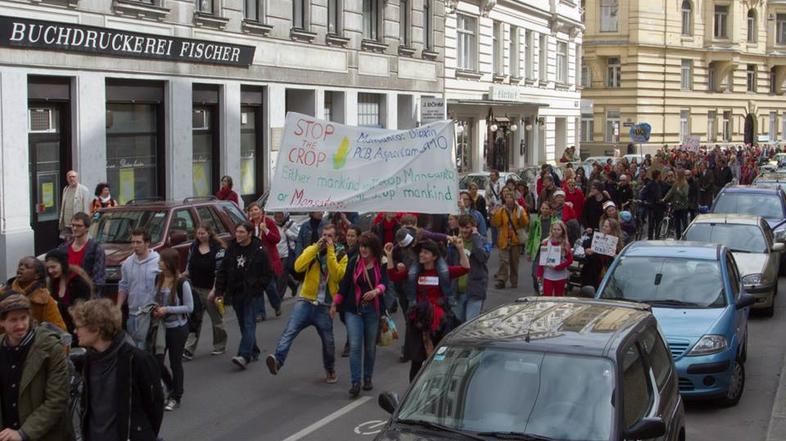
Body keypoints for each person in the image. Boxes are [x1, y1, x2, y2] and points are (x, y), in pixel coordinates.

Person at [71, 299, 164, 441]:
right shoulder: (88, 360)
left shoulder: (138, 360)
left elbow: (154, 407)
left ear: (96, 329)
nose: (75, 331)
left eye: (78, 326)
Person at [266, 224, 348, 383]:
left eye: (330, 236)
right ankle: (278, 360)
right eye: (324, 235)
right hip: (306, 299)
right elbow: (298, 266)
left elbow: (337, 275)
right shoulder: (313, 249)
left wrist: (330, 250)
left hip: (324, 305)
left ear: (336, 238)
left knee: (328, 341)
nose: (326, 238)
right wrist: (315, 248)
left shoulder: (341, 255)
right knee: (290, 330)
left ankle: (330, 369)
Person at [386, 239, 469, 381]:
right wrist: (389, 256)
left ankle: (438, 385)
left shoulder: (443, 272)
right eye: (421, 252)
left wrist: (460, 249)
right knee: (416, 362)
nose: (421, 255)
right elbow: (393, 276)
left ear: (434, 256)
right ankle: (414, 392)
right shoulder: (413, 272)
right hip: (418, 322)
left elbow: (465, 269)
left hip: (439, 324)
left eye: (425, 252)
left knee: (439, 358)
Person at [0, 293, 70, 441]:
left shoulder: (50, 348)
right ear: (2, 322)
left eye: (24, 318)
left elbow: (57, 399)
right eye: (13, 320)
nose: (20, 325)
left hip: (43, 434)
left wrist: (24, 433)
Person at [332, 232, 388, 398]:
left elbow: (385, 282)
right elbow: (345, 284)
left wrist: (376, 291)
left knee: (370, 347)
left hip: (372, 310)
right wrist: (335, 303)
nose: (363, 249)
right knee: (355, 346)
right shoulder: (354, 261)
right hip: (353, 309)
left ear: (373, 248)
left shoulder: (381, 262)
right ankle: (355, 382)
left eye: (367, 247)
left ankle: (367, 377)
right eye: (362, 246)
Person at [212, 223, 274, 369]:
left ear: (249, 233)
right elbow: (223, 271)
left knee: (248, 323)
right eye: (237, 231)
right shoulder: (232, 248)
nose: (238, 234)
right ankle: (254, 350)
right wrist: (219, 292)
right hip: (236, 292)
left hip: (252, 294)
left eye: (241, 232)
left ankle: (244, 355)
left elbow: (268, 274)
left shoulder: (259, 251)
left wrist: (258, 287)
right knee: (243, 324)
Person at [152, 249, 193, 411]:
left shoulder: (182, 283)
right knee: (157, 361)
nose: (159, 263)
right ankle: (169, 387)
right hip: (161, 327)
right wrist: (154, 308)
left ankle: (177, 396)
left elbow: (189, 307)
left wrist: (167, 310)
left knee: (176, 363)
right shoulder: (158, 278)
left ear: (170, 263)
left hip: (177, 328)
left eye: (162, 260)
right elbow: (153, 297)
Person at [183, 224, 227, 359]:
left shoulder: (218, 249)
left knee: (216, 319)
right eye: (198, 234)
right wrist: (182, 275)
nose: (200, 236)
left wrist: (214, 290)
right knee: (195, 319)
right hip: (195, 288)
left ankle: (220, 345)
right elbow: (189, 266)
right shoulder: (193, 247)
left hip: (211, 289)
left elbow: (219, 272)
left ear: (209, 233)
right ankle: (189, 348)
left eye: (203, 233)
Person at [116, 229, 161, 349]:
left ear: (147, 243)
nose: (135, 246)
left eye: (138, 242)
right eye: (133, 242)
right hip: (132, 312)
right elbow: (123, 285)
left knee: (145, 347)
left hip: (150, 313)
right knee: (134, 346)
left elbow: (164, 286)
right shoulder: (127, 263)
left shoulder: (158, 262)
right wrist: (118, 306)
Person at [5, 257, 67, 331]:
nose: (21, 268)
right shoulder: (4, 293)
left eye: (27, 267)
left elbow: (60, 330)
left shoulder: (44, 299)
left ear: (37, 275)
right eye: (20, 265)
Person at [449, 215, 488, 322]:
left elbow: (483, 258)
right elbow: (449, 264)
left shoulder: (482, 241)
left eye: (467, 227)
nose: (464, 230)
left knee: (469, 324)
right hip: (458, 291)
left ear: (474, 227)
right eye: (461, 227)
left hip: (475, 290)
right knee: (458, 324)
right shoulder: (454, 242)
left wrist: (476, 238)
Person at [247, 202, 283, 321]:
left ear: (261, 211)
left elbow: (276, 239)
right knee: (257, 287)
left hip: (268, 260)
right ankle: (259, 313)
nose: (254, 212)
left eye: (256, 209)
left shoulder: (268, 222)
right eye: (251, 210)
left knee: (270, 286)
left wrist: (266, 230)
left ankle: (276, 304)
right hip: (254, 261)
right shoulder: (249, 225)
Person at [44, 249, 93, 334]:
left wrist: (55, 304)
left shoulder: (79, 283)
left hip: (75, 330)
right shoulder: (53, 282)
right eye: (48, 268)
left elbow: (81, 312)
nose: (50, 271)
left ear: (63, 264)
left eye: (53, 267)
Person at [58, 212, 106, 293]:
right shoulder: (63, 248)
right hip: (67, 296)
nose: (75, 228)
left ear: (87, 228)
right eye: (73, 225)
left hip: (86, 296)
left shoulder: (95, 248)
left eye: (79, 226)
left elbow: (99, 278)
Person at [490, 192, 529, 289]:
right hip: (504, 238)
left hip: (515, 239)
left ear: (514, 199)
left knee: (514, 262)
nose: (508, 199)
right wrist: (494, 215)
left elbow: (525, 223)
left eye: (510, 197)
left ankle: (514, 281)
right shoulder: (501, 210)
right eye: (506, 197)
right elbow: (497, 224)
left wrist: (521, 216)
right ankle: (501, 280)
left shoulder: (519, 209)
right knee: (503, 261)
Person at [581, 219, 625, 288]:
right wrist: (586, 250)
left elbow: (621, 261)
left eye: (606, 227)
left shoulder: (617, 243)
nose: (604, 228)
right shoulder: (597, 237)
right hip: (591, 273)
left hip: (608, 274)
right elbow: (584, 245)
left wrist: (615, 256)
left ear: (612, 229)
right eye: (604, 226)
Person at [526, 201, 558, 293]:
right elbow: (531, 237)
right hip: (538, 250)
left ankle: (545, 291)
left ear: (550, 210)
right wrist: (528, 251)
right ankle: (538, 289)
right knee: (534, 273)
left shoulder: (555, 221)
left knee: (548, 272)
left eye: (547, 209)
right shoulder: (536, 221)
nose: (544, 210)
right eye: (543, 208)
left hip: (550, 250)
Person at [536, 221, 574, 296]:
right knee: (547, 297)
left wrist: (559, 266)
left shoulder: (565, 244)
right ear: (551, 230)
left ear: (563, 231)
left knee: (558, 298)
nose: (556, 231)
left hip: (560, 276)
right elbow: (542, 260)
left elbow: (570, 260)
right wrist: (539, 274)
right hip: (548, 275)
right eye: (554, 229)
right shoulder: (545, 242)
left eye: (558, 230)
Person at [273, 212, 300, 298]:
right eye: (276, 216)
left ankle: (278, 297)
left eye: (280, 215)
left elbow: (298, 237)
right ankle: (293, 284)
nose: (278, 217)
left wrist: (287, 232)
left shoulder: (291, 224)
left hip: (287, 253)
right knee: (279, 273)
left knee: (281, 275)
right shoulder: (273, 225)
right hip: (277, 253)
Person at [58, 170, 91, 238]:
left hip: (77, 223)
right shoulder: (65, 189)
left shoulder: (84, 190)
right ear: (67, 178)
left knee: (77, 241)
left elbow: (86, 209)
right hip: (66, 224)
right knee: (67, 243)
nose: (71, 178)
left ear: (77, 178)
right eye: (70, 177)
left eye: (73, 177)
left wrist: (85, 224)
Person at [662, 168, 690, 238]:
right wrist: (664, 199)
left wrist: (678, 191)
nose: (676, 176)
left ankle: (685, 236)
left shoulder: (685, 184)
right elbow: (670, 192)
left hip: (683, 206)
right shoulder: (676, 183)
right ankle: (678, 237)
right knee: (677, 223)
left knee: (684, 223)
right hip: (676, 206)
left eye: (677, 175)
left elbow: (685, 194)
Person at [641, 170, 664, 240]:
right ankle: (650, 238)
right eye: (660, 175)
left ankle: (657, 238)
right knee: (651, 224)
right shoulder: (650, 184)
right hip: (652, 207)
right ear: (657, 176)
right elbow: (643, 193)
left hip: (660, 207)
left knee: (659, 224)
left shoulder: (661, 184)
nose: (661, 176)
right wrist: (645, 201)